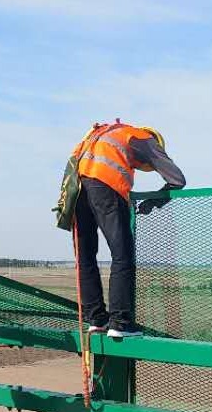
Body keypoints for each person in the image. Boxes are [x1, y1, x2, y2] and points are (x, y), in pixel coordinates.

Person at [70, 121, 185, 337]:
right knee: (122, 255)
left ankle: (96, 319)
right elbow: (177, 180)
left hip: (76, 192)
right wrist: (153, 202)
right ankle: (120, 323)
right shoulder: (144, 139)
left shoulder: (103, 135)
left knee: (85, 257)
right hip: (106, 188)